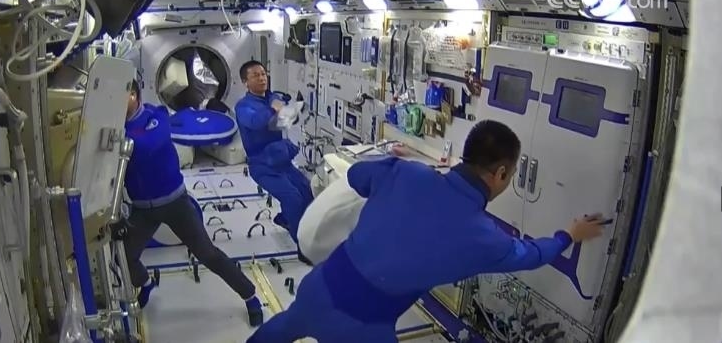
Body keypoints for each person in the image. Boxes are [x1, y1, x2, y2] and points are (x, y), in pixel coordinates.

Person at [247, 120, 607, 342]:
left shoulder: (408, 173)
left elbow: (356, 175)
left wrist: (395, 168)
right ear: (500, 174)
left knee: (280, 329)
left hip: (319, 288)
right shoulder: (484, 237)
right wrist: (568, 235)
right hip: (363, 327)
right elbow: (532, 256)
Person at [121, 79, 264, 326]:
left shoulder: (156, 117)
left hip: (175, 203)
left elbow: (147, 146)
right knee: (125, 256)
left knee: (208, 254)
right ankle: (145, 283)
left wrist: (119, 139)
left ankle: (250, 296)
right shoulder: (115, 127)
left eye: (121, 95)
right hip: (142, 209)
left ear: (134, 95)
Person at [234, 61, 315, 261]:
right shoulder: (243, 107)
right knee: (293, 198)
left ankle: (286, 219)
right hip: (262, 166)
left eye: (263, 74)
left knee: (307, 192)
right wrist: (274, 108)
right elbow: (256, 122)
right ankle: (304, 248)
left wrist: (290, 108)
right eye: (255, 75)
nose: (262, 78)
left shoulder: (273, 97)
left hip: (282, 162)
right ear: (245, 82)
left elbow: (288, 117)